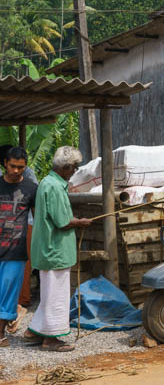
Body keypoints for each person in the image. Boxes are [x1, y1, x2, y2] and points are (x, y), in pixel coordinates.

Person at [23, 146, 91, 352]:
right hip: (55, 250)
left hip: (50, 250)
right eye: (75, 168)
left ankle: (34, 330)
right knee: (57, 296)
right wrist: (80, 222)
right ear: (66, 167)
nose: (75, 171)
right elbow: (62, 222)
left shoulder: (49, 183)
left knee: (49, 293)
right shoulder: (53, 186)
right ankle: (51, 338)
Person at [0, 147, 37, 347]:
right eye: (13, 166)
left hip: (15, 249)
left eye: (20, 167)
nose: (16, 171)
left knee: (8, 294)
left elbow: (38, 217)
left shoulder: (31, 188)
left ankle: (0, 334)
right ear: (5, 163)